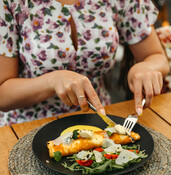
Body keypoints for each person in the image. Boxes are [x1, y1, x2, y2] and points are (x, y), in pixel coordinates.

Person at [0, 0, 170, 126]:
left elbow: (156, 56)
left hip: (100, 119)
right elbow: (3, 94)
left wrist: (147, 66)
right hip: (26, 126)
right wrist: (52, 81)